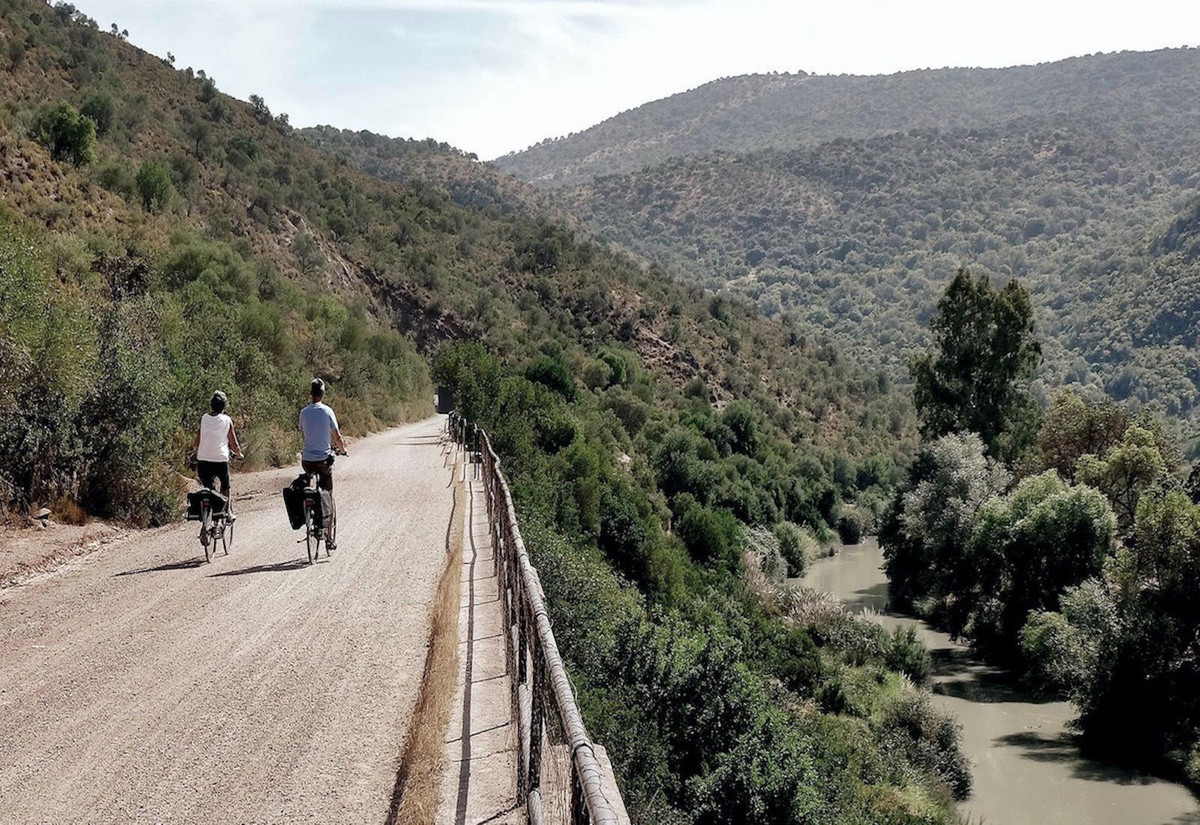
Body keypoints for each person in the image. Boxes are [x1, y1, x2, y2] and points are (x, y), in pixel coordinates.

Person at [299, 378, 346, 547]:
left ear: (311, 393)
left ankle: (310, 508)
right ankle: (329, 537)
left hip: (307, 460)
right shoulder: (327, 411)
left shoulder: (304, 412)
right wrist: (342, 450)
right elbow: (337, 436)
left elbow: (303, 431)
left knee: (310, 482)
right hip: (323, 460)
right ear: (323, 393)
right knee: (328, 495)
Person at [193, 390, 244, 519]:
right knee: (225, 485)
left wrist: (197, 451)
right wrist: (239, 454)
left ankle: (209, 512)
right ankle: (227, 511)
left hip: (203, 461)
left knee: (209, 487)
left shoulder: (204, 418)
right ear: (224, 406)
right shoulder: (227, 420)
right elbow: (234, 443)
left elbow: (198, 439)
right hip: (220, 461)